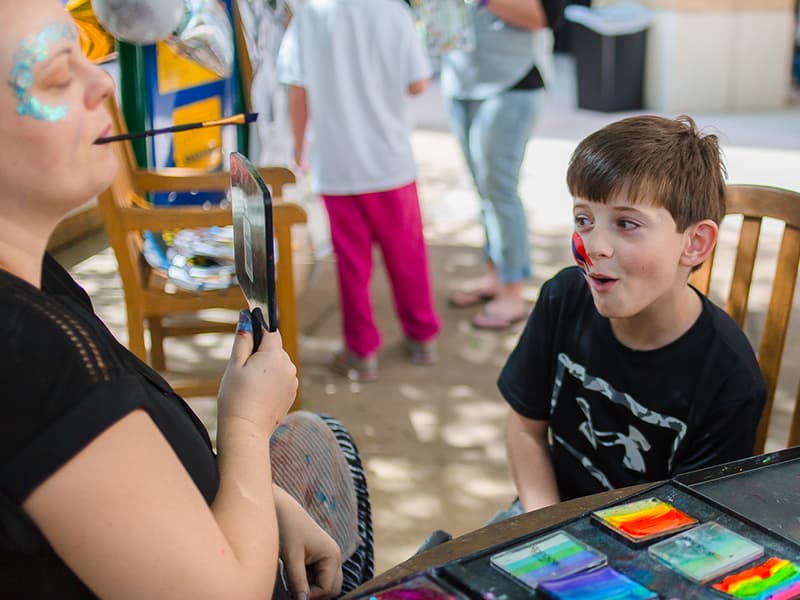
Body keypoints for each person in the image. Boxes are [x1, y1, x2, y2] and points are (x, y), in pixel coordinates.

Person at [0, 2, 372, 597]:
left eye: (86, 50)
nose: (101, 80)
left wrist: (263, 498)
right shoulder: (31, 358)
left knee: (319, 437)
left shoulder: (34, 284)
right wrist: (246, 424)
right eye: (57, 74)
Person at [497, 115, 766, 518]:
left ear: (694, 243)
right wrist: (544, 528)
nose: (594, 246)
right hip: (546, 514)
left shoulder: (730, 379)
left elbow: (692, 519)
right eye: (583, 219)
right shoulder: (564, 297)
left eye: (626, 223)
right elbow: (524, 429)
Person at [277, 0, 441, 382]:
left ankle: (361, 351)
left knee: (351, 262)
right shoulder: (395, 12)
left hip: (337, 164)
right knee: (407, 252)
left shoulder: (309, 14)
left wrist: (299, 149)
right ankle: (422, 337)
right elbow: (418, 83)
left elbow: (297, 90)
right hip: (391, 163)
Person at [442, 0, 566, 330]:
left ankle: (512, 291)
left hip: (514, 80)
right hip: (461, 78)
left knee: (499, 188)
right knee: (482, 188)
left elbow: (545, 16)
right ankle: (495, 276)